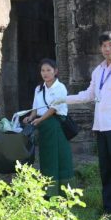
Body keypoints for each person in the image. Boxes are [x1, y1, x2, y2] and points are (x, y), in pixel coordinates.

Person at [54, 30, 111, 217]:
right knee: (106, 169)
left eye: (110, 45)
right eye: (103, 45)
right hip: (101, 126)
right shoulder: (98, 70)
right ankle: (109, 209)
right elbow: (89, 95)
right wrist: (64, 99)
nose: (107, 49)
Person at [23, 58, 73, 197]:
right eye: (43, 70)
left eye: (48, 70)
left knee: (60, 158)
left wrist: (39, 119)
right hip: (44, 127)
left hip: (55, 125)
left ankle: (64, 194)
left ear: (55, 71)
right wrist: (31, 117)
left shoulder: (60, 87)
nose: (45, 73)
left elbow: (53, 109)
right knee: (46, 158)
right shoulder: (38, 88)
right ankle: (48, 193)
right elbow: (35, 108)